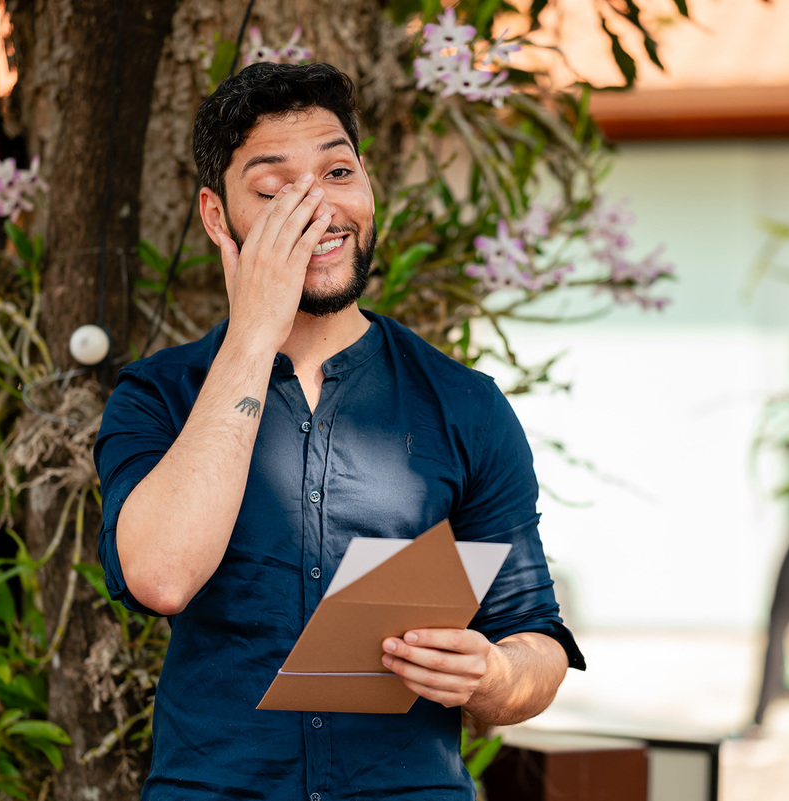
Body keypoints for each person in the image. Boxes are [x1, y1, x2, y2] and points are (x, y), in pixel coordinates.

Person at [93, 61, 585, 800]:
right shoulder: (157, 395)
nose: (318, 208)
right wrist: (254, 336)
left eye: (338, 171)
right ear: (216, 216)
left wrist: (490, 673)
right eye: (273, 189)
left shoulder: (465, 404)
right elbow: (161, 575)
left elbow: (534, 639)